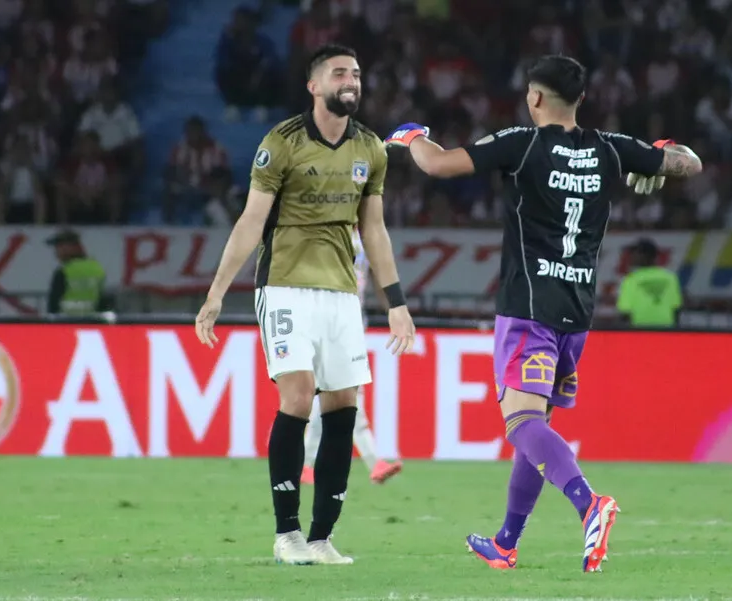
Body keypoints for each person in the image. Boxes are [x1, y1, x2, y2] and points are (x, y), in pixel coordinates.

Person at [385, 54, 701, 573]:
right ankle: (506, 542)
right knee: (537, 424)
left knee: (521, 422)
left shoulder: (522, 142)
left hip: (528, 307)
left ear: (535, 97)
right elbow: (689, 163)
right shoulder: (610, 148)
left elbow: (438, 164)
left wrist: (411, 136)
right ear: (580, 99)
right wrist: (662, 155)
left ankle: (589, 504)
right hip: (577, 308)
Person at [194, 44, 416, 567]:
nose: (352, 81)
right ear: (314, 86)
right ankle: (286, 534)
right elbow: (251, 221)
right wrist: (216, 292)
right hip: (286, 284)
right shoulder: (282, 143)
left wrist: (396, 303)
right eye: (340, 73)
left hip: (341, 292)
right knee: (297, 398)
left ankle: (321, 538)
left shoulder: (372, 150)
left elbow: (375, 229)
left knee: (343, 408)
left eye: (357, 74)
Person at [302, 226, 404, 486]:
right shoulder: (330, 229)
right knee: (344, 395)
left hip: (353, 325)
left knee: (330, 396)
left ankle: (305, 464)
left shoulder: (367, 235)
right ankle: (373, 462)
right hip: (331, 324)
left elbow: (379, 280)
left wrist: (394, 311)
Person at [616, 238, 682, 328]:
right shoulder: (670, 278)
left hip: (640, 331)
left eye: (635, 253)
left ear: (645, 255)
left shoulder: (631, 279)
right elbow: (676, 309)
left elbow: (625, 312)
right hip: (667, 331)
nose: (631, 257)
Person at [45, 229, 113, 316]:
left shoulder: (64, 271)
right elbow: (102, 300)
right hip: (91, 321)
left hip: (66, 322)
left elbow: (53, 305)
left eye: (60, 246)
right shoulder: (97, 268)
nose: (57, 251)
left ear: (72, 247)